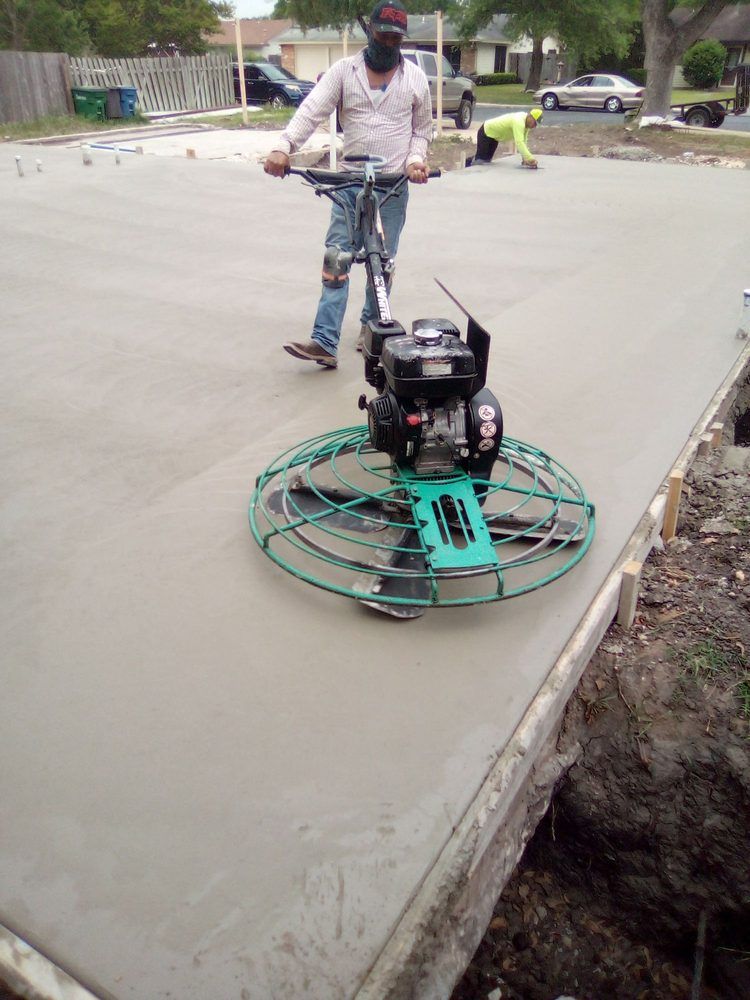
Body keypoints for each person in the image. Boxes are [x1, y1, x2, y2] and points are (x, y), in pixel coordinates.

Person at [264, 0, 432, 369]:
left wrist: (415, 160)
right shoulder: (344, 72)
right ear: (370, 31)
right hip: (349, 184)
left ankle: (371, 329)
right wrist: (283, 147)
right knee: (337, 258)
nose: (389, 43)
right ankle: (325, 340)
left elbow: (421, 131)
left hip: (392, 184)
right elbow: (311, 111)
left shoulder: (416, 79)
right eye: (383, 36)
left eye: (396, 38)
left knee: (381, 264)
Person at [472, 108, 543, 168]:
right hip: (486, 131)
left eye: (536, 125)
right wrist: (530, 159)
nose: (534, 126)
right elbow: (519, 142)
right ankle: (468, 166)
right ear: (530, 116)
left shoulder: (526, 125)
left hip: (494, 137)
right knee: (479, 161)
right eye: (535, 123)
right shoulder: (519, 121)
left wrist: (525, 159)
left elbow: (524, 142)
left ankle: (470, 162)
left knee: (487, 161)